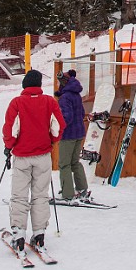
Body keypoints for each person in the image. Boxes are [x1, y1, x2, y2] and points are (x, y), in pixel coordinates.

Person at [2, 69, 65, 255]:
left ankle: (19, 235)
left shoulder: (17, 103)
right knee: (40, 195)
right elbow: (58, 126)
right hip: (43, 156)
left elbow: (10, 130)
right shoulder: (49, 102)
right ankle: (39, 235)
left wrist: (8, 146)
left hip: (22, 157)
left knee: (20, 196)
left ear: (24, 85)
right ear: (38, 85)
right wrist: (52, 141)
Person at [54, 69, 90, 202]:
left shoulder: (64, 98)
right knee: (75, 162)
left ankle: (67, 193)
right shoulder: (76, 95)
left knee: (64, 164)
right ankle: (82, 188)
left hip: (68, 136)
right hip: (79, 133)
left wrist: (57, 128)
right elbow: (81, 114)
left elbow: (66, 117)